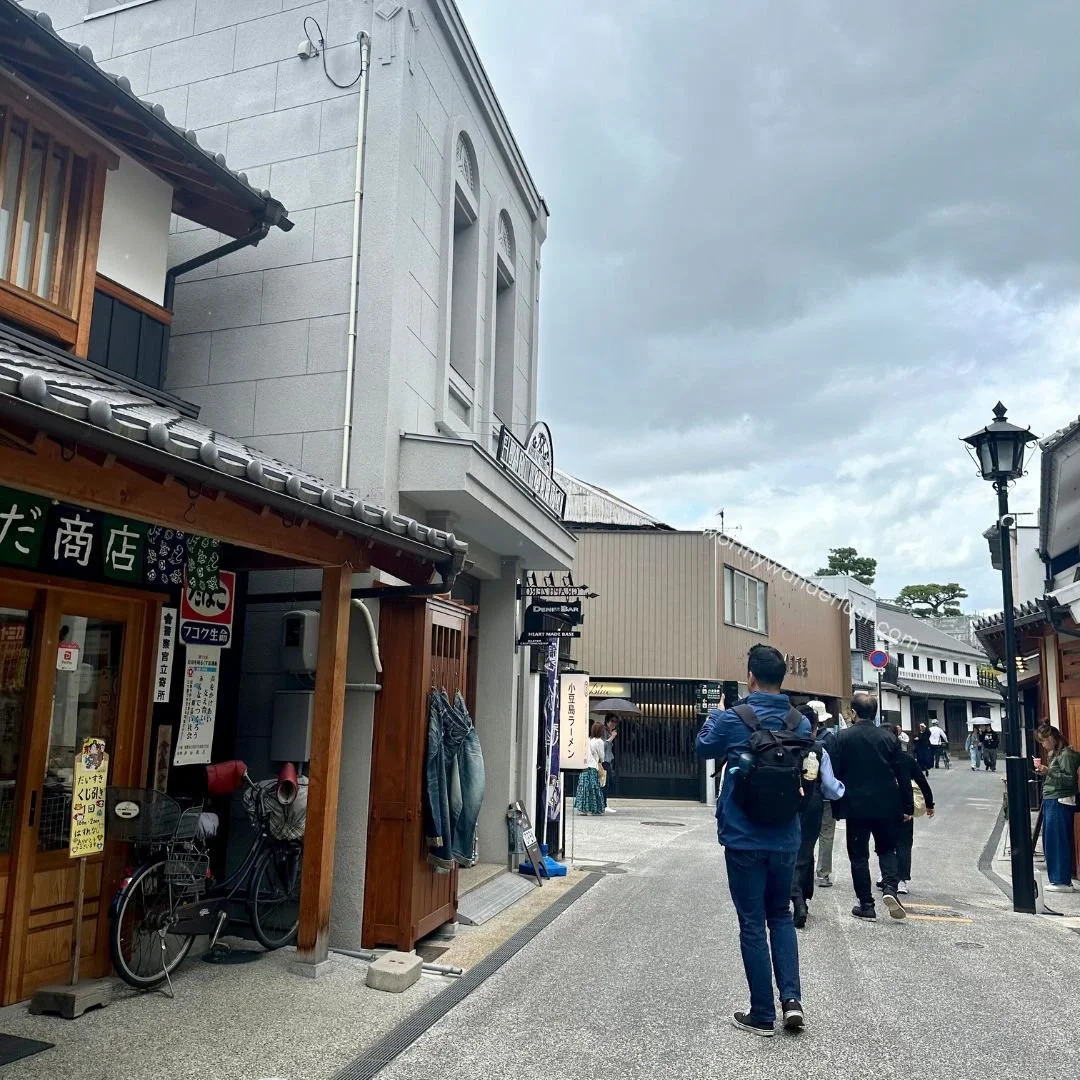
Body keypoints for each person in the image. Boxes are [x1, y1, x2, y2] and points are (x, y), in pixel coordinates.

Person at [694, 644, 813, 1036]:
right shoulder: (801, 723)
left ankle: (762, 1013)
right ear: (783, 677)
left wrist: (715, 714)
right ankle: (792, 1001)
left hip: (743, 838)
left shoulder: (733, 719)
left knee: (751, 923)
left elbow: (702, 747)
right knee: (779, 915)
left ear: (750, 677)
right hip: (786, 836)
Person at [828, 692, 913, 920]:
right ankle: (890, 889)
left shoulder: (842, 738)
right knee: (887, 849)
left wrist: (837, 808)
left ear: (853, 712)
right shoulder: (889, 739)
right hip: (887, 803)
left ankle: (866, 905)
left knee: (859, 855)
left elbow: (835, 775)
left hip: (856, 806)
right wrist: (908, 807)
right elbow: (902, 775)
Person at [791, 704, 845, 928]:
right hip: (812, 801)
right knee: (806, 849)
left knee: (789, 848)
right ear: (814, 727)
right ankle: (802, 897)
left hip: (787, 800)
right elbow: (832, 787)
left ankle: (794, 895)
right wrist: (843, 790)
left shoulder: (785, 743)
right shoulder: (819, 749)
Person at [884, 723, 935, 894]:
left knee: (885, 842)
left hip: (882, 806)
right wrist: (929, 803)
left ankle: (887, 875)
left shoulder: (878, 757)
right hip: (905, 807)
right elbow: (921, 781)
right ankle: (901, 880)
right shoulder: (906, 759)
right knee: (904, 843)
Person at [1034, 723, 1080, 891]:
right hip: (1054, 798)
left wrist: (1049, 771)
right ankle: (1059, 879)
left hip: (1059, 799)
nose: (1043, 745)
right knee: (1052, 839)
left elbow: (1069, 779)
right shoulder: (1058, 754)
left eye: (1044, 741)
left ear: (1052, 738)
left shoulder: (1066, 755)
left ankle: (1061, 880)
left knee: (1057, 840)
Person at [573, 722, 607, 815]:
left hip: (584, 766)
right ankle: (594, 808)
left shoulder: (588, 740)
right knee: (594, 788)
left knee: (584, 788)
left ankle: (584, 808)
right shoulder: (599, 741)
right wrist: (601, 761)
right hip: (593, 766)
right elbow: (601, 756)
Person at [602, 716, 618, 814]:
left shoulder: (608, 732)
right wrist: (612, 737)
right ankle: (604, 804)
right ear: (607, 721)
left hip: (608, 760)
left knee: (608, 782)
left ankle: (604, 803)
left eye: (615, 722)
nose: (614, 723)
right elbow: (602, 745)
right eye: (612, 721)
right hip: (603, 760)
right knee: (606, 782)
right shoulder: (603, 731)